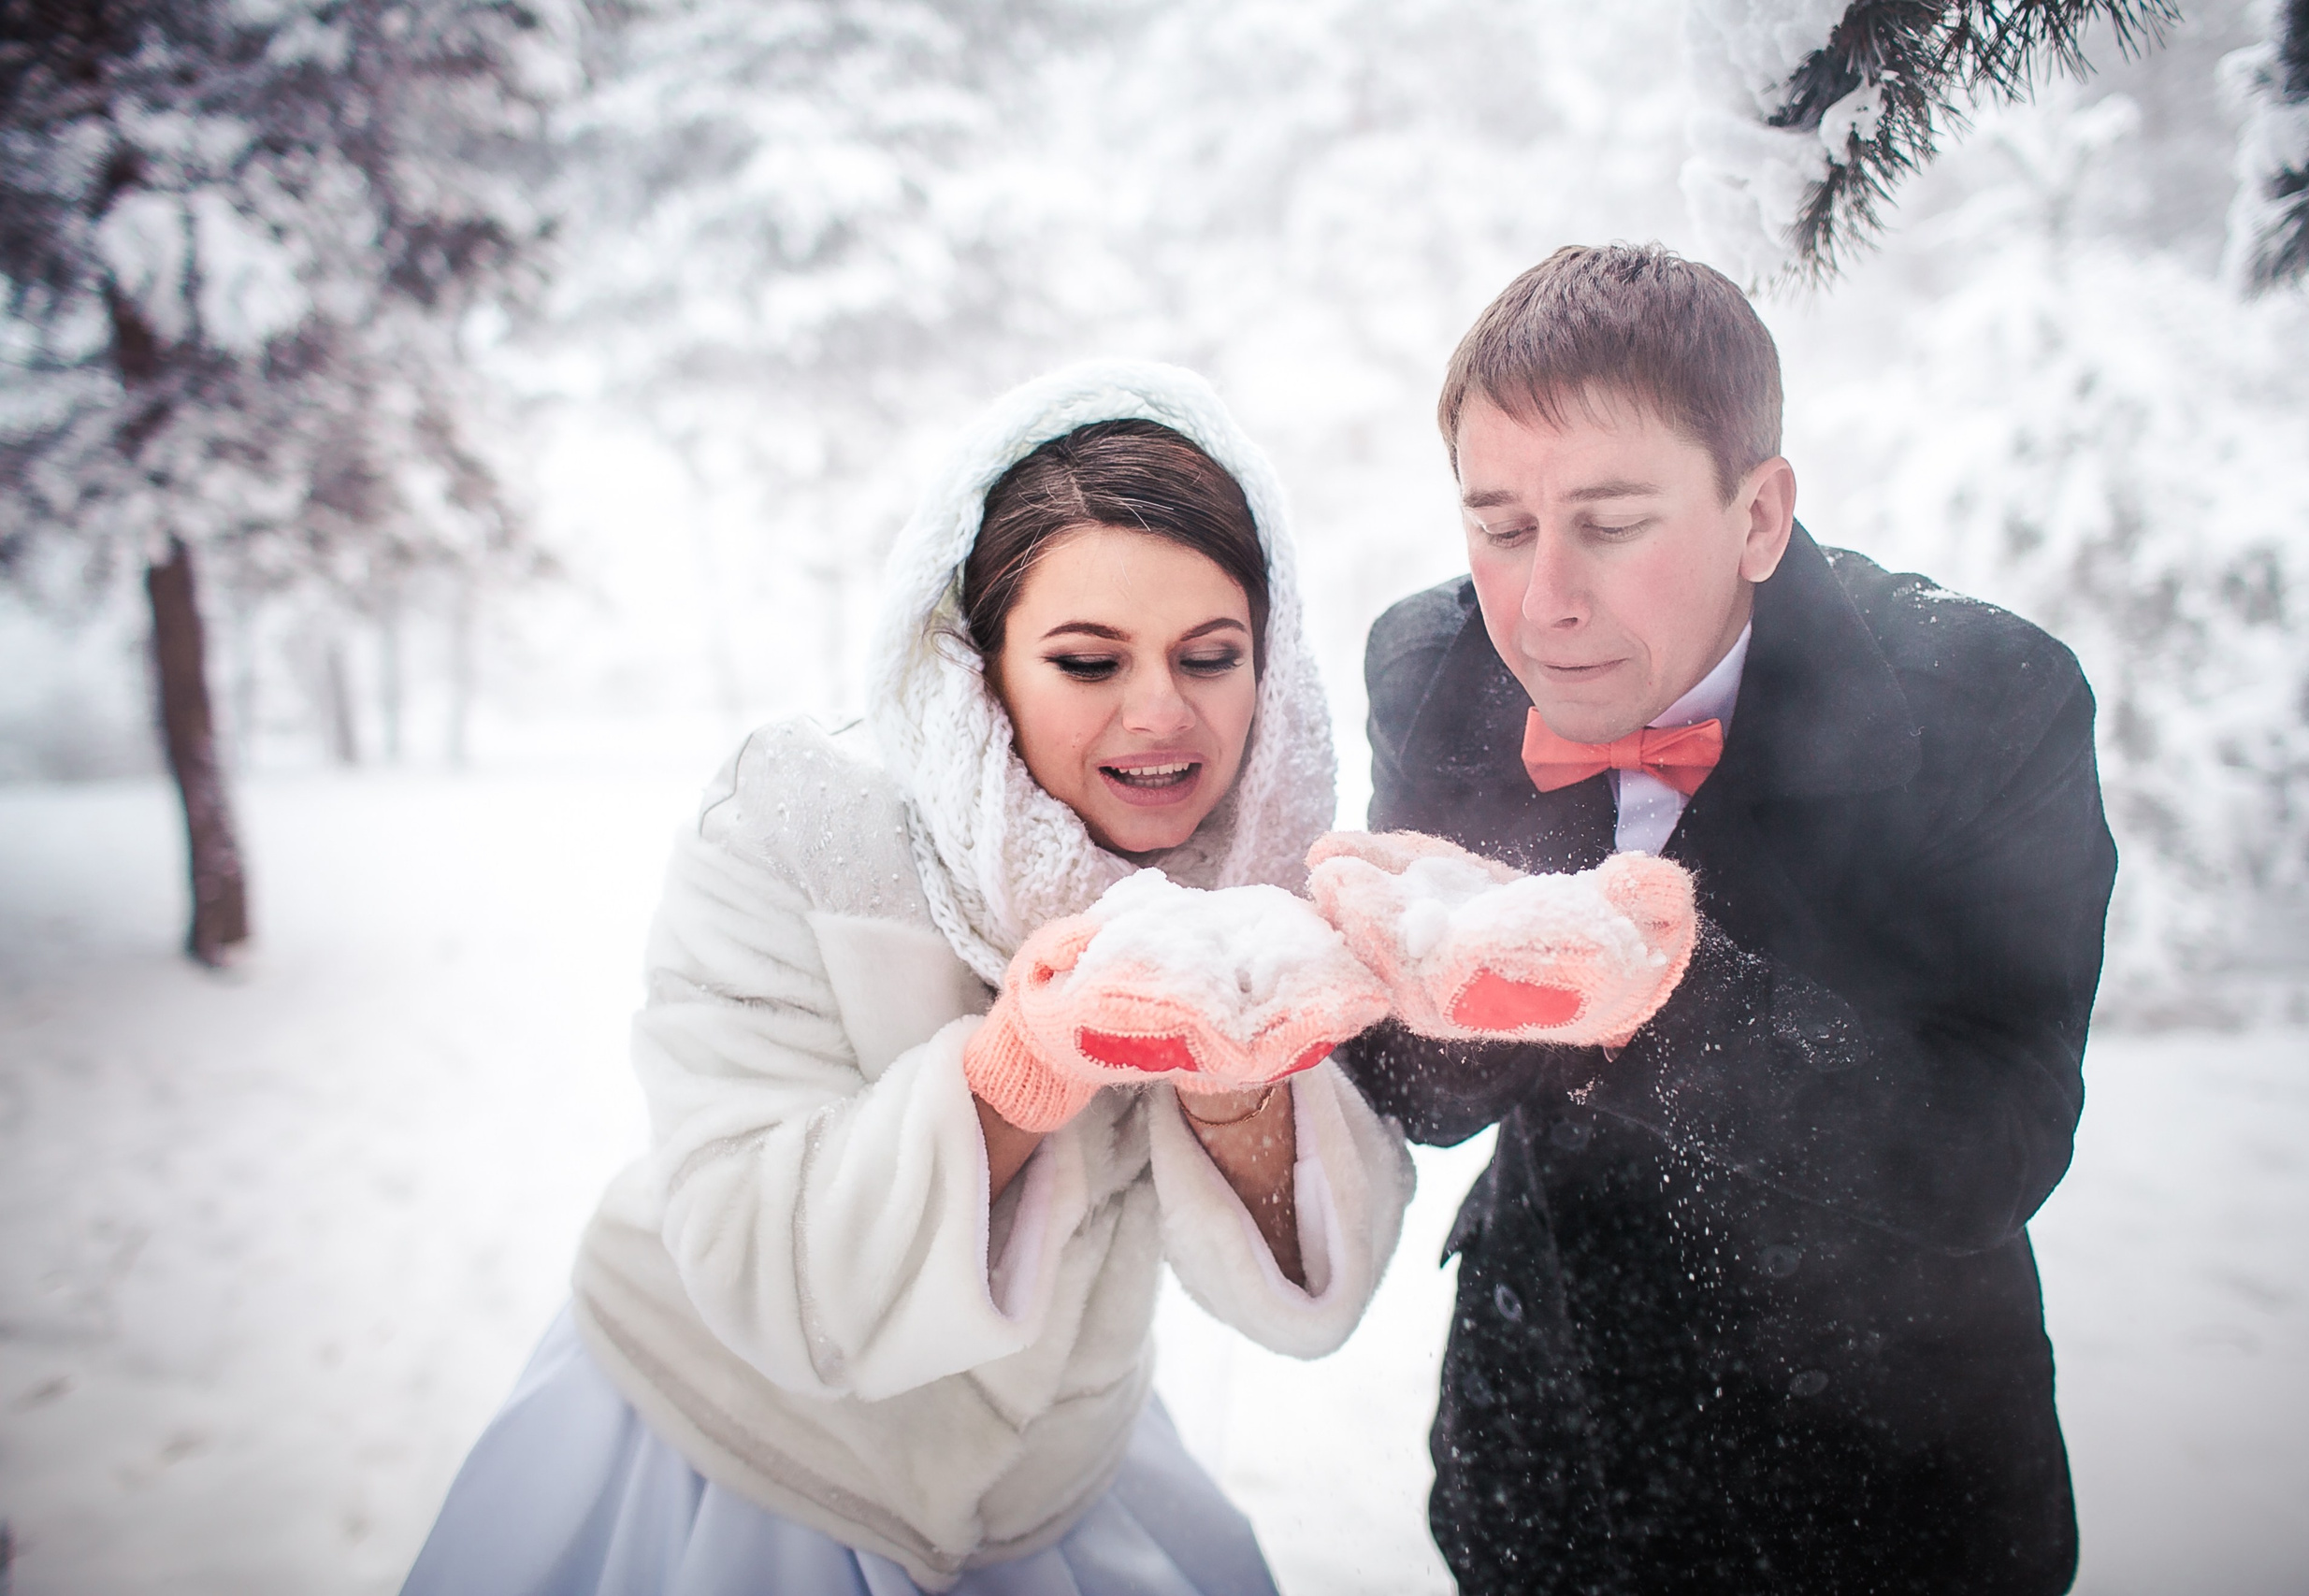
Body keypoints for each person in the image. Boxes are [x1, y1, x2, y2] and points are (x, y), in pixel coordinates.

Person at [399, 362, 1415, 1595]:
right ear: (980, 666)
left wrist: (1241, 1092)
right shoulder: (797, 827)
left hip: (1058, 1485)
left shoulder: (1263, 879)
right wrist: (1016, 1074)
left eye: (1210, 656)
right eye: (1089, 663)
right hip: (727, 1462)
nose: (1164, 714)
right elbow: (751, 1252)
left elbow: (1315, 1292)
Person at [1337, 244, 2116, 1593]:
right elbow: (1431, 1095)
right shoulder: (1433, 667)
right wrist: (1379, 977)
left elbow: (1996, 1147)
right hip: (1546, 1453)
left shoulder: (1990, 700)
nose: (1543, 600)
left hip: (1894, 1489)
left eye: (1612, 522)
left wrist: (1656, 1000)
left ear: (1758, 515)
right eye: (1501, 526)